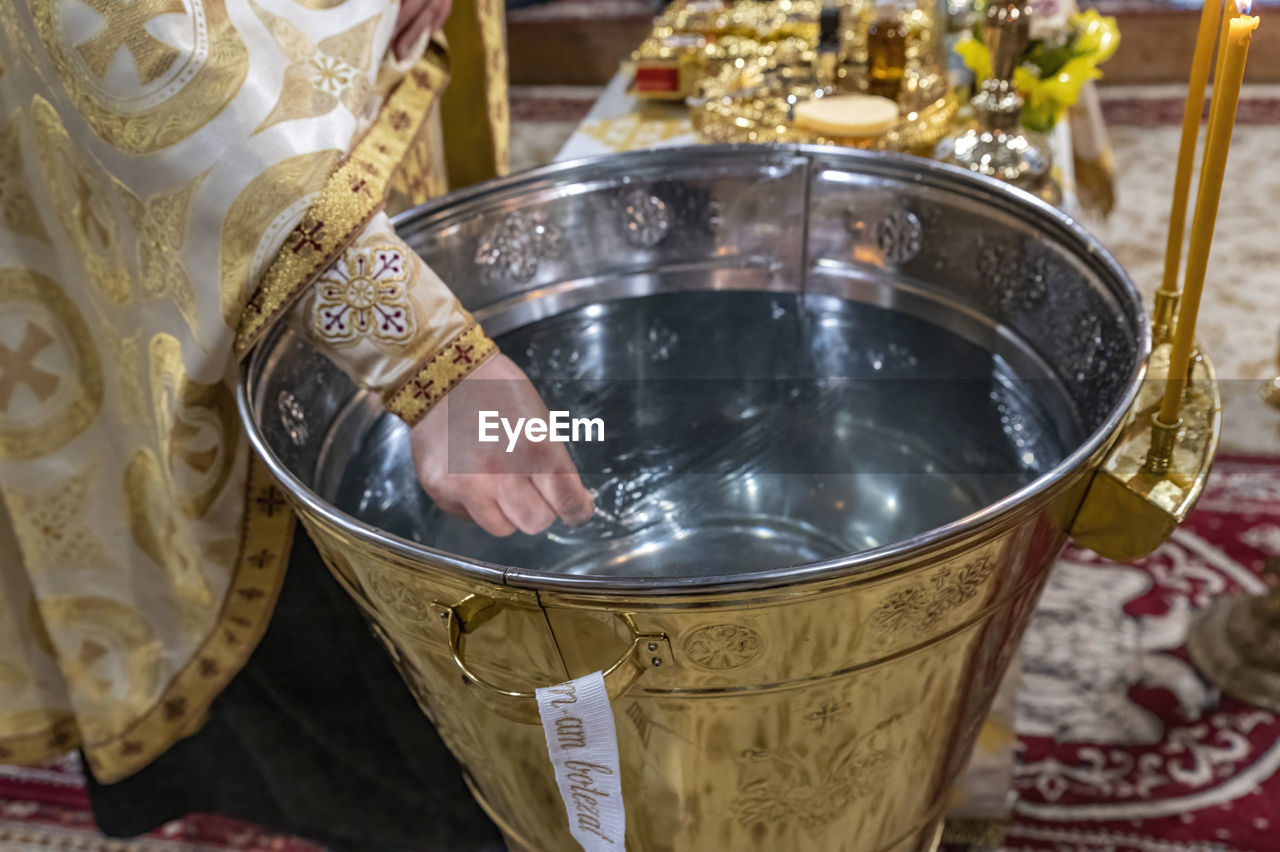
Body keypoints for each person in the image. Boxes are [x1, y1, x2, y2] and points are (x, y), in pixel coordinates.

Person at [0, 0, 593, 847]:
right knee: (396, 707)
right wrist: (426, 352)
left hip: (355, 79)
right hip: (203, 161)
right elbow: (142, 46)